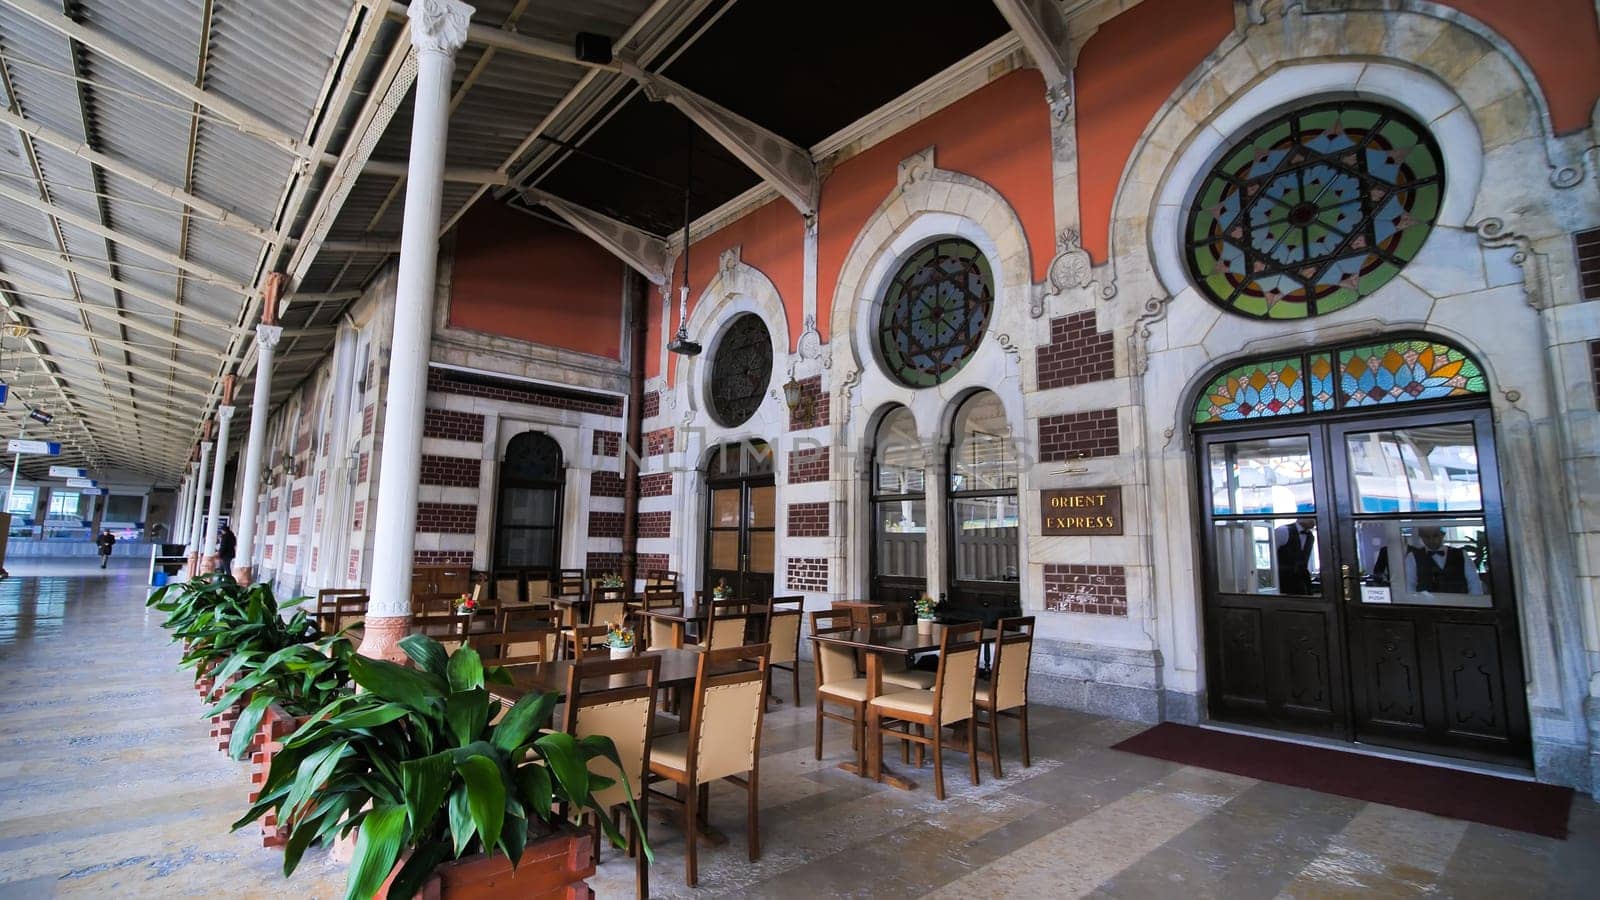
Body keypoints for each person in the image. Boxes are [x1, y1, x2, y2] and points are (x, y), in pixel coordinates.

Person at [1402, 525, 1482, 595]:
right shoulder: (1412, 557)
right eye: (1426, 537)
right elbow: (1409, 586)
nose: (1431, 540)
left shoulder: (1461, 554)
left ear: (1443, 535)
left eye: (1435, 535)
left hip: (1460, 605)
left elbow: (1474, 582)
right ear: (1421, 537)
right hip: (1428, 606)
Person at [1273, 516, 1317, 594]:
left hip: (1302, 579)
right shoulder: (1283, 531)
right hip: (1283, 579)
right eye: (1311, 517)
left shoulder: (1311, 536)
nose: (1314, 520)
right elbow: (1271, 555)